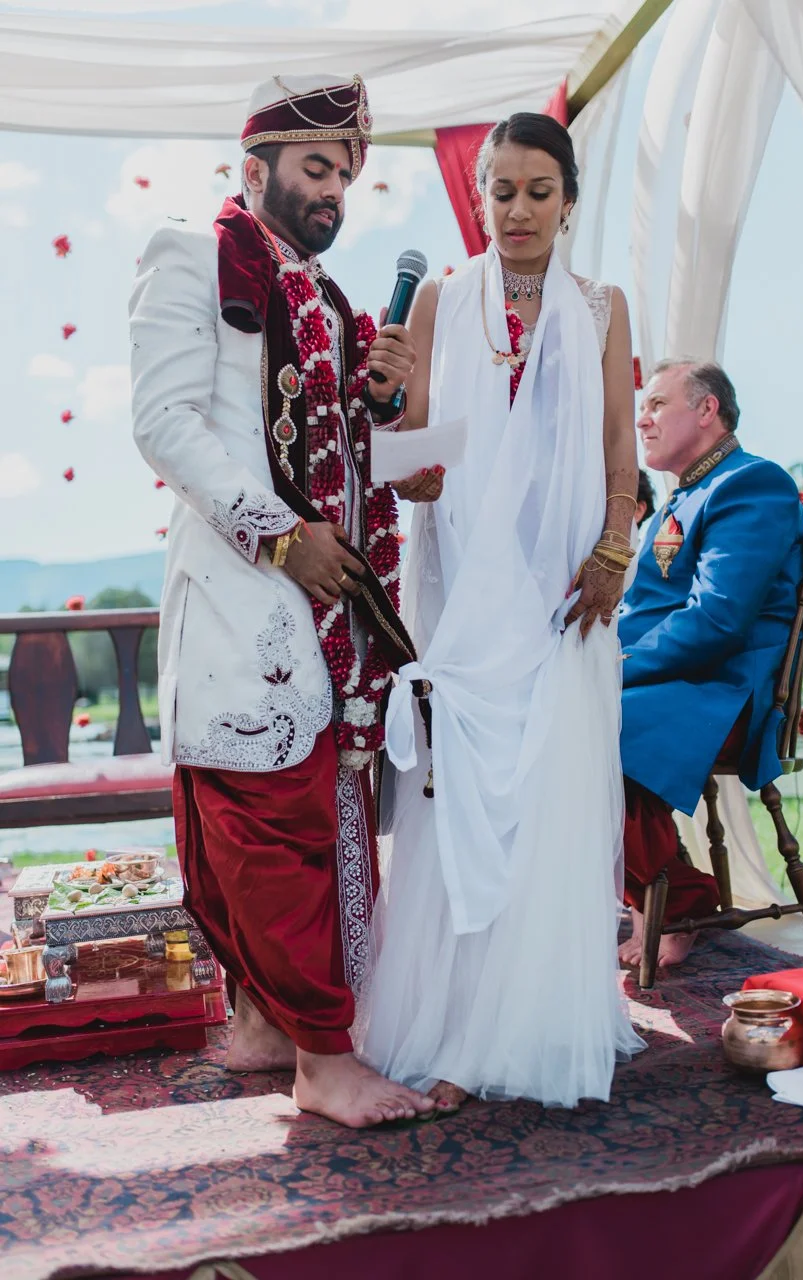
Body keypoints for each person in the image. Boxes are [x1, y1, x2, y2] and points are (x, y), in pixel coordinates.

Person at [130, 72, 438, 1128]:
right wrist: (279, 535)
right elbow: (167, 424)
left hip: (330, 605)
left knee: (318, 817)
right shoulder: (189, 255)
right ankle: (322, 1058)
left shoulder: (330, 300)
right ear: (250, 167)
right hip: (245, 597)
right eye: (316, 168)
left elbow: (341, 451)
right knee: (271, 826)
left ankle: (271, 1026)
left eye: (347, 176)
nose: (335, 193)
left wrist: (381, 392)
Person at [355, 113, 645, 1110]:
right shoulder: (441, 295)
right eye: (499, 192)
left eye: (536, 190)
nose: (516, 210)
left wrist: (614, 547)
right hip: (461, 601)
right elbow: (417, 462)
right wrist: (394, 414)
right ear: (476, 199)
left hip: (562, 598)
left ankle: (523, 1028)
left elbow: (618, 446)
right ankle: (449, 1030)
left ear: (567, 200)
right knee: (458, 810)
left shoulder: (601, 309)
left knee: (544, 809)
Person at [618, 360, 803, 968]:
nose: (641, 419)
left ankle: (680, 901)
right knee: (547, 716)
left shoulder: (751, 484)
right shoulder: (691, 490)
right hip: (678, 683)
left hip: (722, 691)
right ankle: (677, 895)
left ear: (707, 410)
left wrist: (609, 669)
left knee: (574, 726)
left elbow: (716, 621)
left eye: (656, 404)